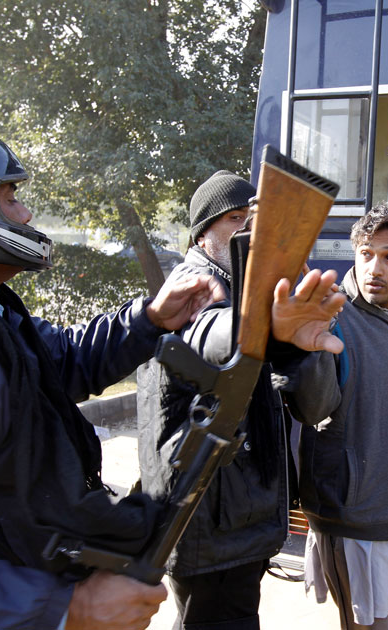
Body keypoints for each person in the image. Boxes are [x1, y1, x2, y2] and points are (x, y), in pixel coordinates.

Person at [0, 117, 344, 630]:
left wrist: (149, 319)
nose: (25, 213)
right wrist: (67, 609)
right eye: (7, 197)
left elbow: (63, 362)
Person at [137, 170, 345, 630]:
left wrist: (302, 338)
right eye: (235, 218)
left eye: (256, 219)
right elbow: (213, 336)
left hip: (238, 518)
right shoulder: (193, 290)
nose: (249, 231)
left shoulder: (254, 293)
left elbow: (315, 407)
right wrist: (268, 326)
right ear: (202, 233)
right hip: (205, 521)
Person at [289, 204, 388, 630]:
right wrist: (308, 353)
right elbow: (310, 409)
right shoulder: (335, 321)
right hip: (360, 519)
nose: (374, 268)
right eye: (365, 254)